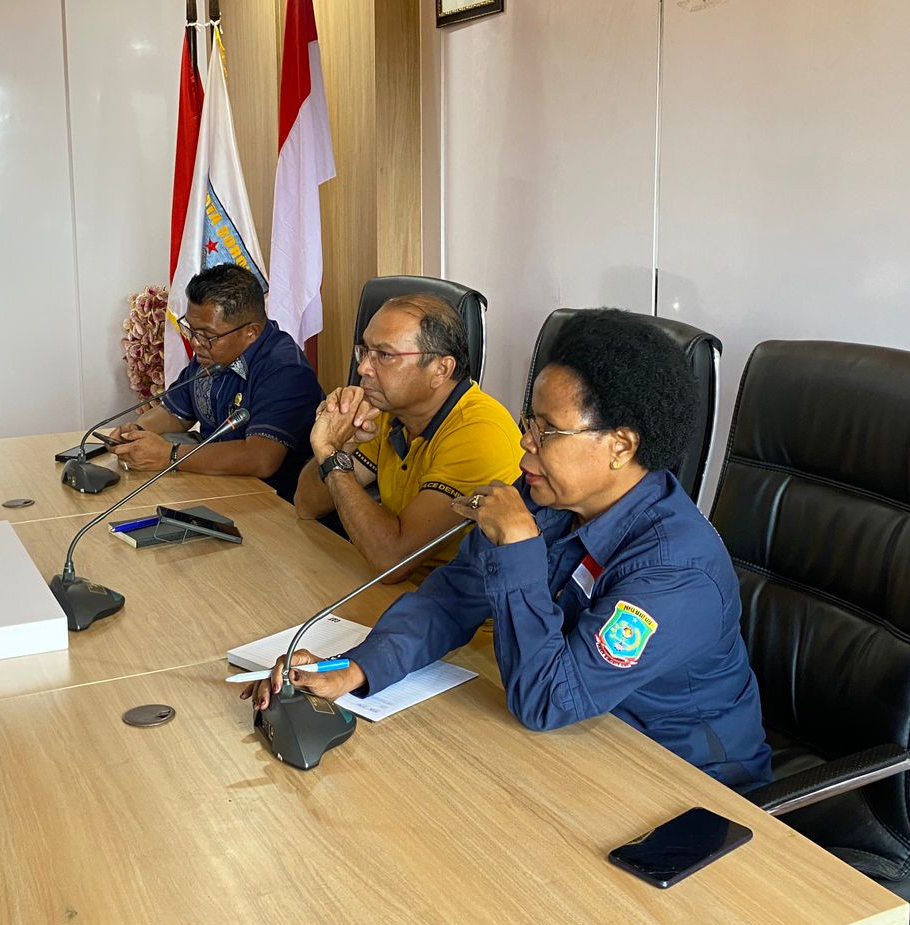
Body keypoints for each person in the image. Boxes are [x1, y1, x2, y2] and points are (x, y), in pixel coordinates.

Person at [250, 308, 772, 790]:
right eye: (530, 423)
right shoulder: (547, 496)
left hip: (684, 782)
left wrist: (518, 548)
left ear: (620, 446)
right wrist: (358, 668)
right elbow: (452, 598)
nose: (526, 443)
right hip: (579, 745)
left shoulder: (675, 570)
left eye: (548, 431)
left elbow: (547, 699)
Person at [293, 293, 521, 584]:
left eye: (385, 355)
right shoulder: (389, 411)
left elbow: (392, 561)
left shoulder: (480, 434)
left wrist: (329, 454)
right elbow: (307, 504)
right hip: (400, 593)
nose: (363, 368)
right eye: (365, 351)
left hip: (459, 607)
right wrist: (342, 445)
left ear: (440, 369)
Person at [111, 263, 321, 501]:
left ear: (251, 332)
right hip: (219, 488)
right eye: (191, 330)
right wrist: (136, 433)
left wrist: (169, 455)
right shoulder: (212, 352)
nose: (195, 343)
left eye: (207, 335)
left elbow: (260, 458)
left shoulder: (285, 370)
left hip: (277, 503)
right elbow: (175, 413)